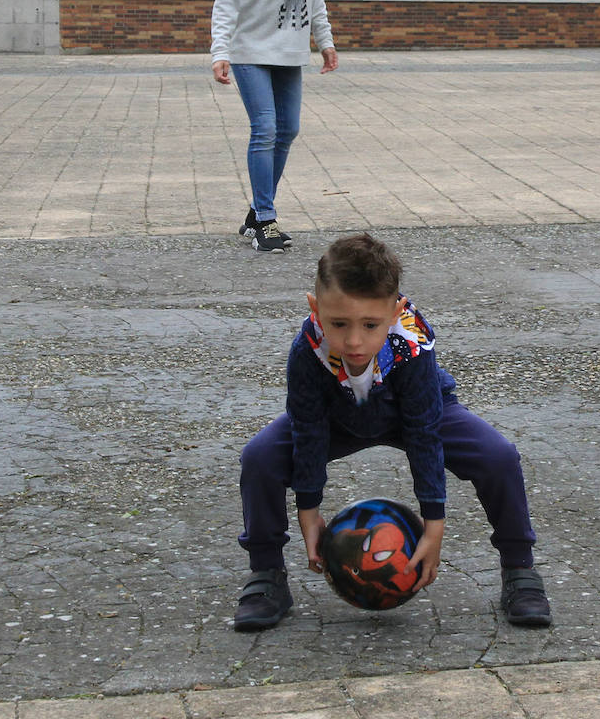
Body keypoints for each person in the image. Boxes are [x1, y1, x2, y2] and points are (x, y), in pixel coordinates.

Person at [232, 233, 552, 630]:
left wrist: (433, 523)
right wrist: (308, 508)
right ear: (315, 308)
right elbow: (308, 428)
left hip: (412, 415)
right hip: (336, 419)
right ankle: (266, 574)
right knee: (260, 458)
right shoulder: (307, 349)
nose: (353, 341)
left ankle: (520, 567)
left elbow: (424, 431)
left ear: (396, 310)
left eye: (370, 324)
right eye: (338, 323)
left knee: (498, 457)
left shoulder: (412, 344)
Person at [211, 0, 337, 253]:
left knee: (288, 130)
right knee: (264, 129)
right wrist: (220, 51)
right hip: (250, 48)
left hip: (290, 48)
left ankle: (256, 210)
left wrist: (325, 38)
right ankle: (265, 219)